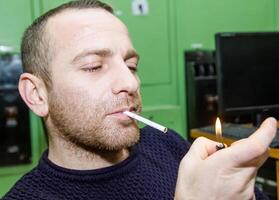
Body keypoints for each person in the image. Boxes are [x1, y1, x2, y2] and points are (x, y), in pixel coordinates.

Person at [2, 0, 277, 199]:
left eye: (131, 66)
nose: (130, 83)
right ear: (37, 94)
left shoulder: (167, 145)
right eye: (93, 66)